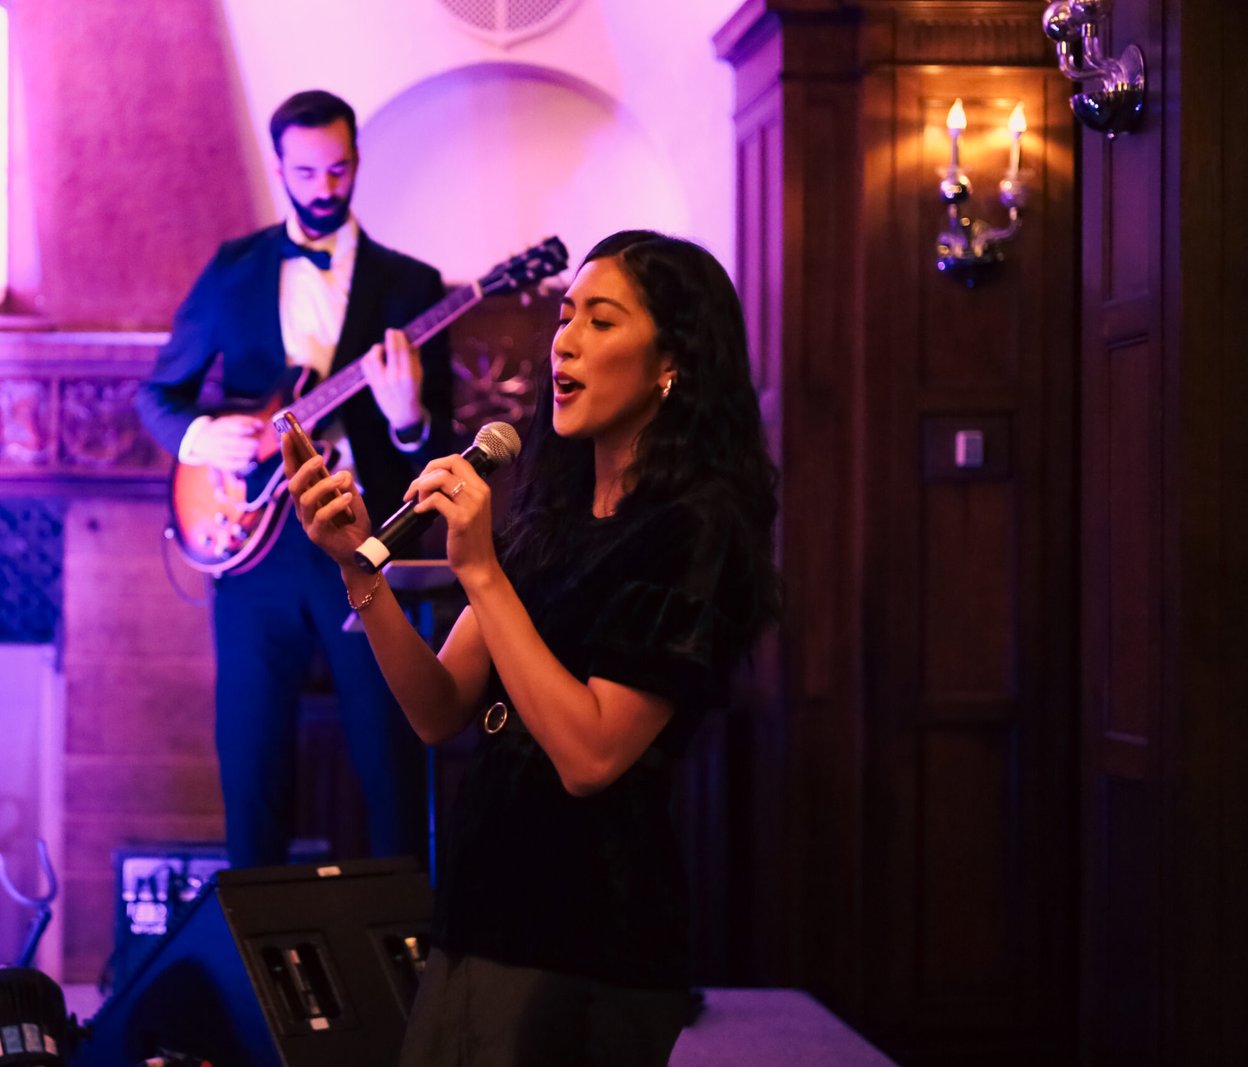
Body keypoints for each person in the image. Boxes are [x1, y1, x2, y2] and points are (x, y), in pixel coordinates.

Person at [287, 230, 782, 1065]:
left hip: (586, 933)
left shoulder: (693, 529)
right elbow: (439, 707)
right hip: (482, 905)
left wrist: (480, 569)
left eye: (602, 320)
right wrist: (357, 567)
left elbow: (590, 754)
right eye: (565, 315)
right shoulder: (552, 516)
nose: (565, 340)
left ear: (671, 362)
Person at [135, 90, 452, 869]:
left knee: (391, 761)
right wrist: (205, 436)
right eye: (306, 172)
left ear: (357, 163)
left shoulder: (413, 287)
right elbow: (158, 395)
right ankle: (258, 946)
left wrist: (408, 419)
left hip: (367, 548)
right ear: (278, 168)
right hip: (252, 549)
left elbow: (438, 449)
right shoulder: (233, 269)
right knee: (252, 768)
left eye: (338, 169)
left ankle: (408, 938)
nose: (323, 187)